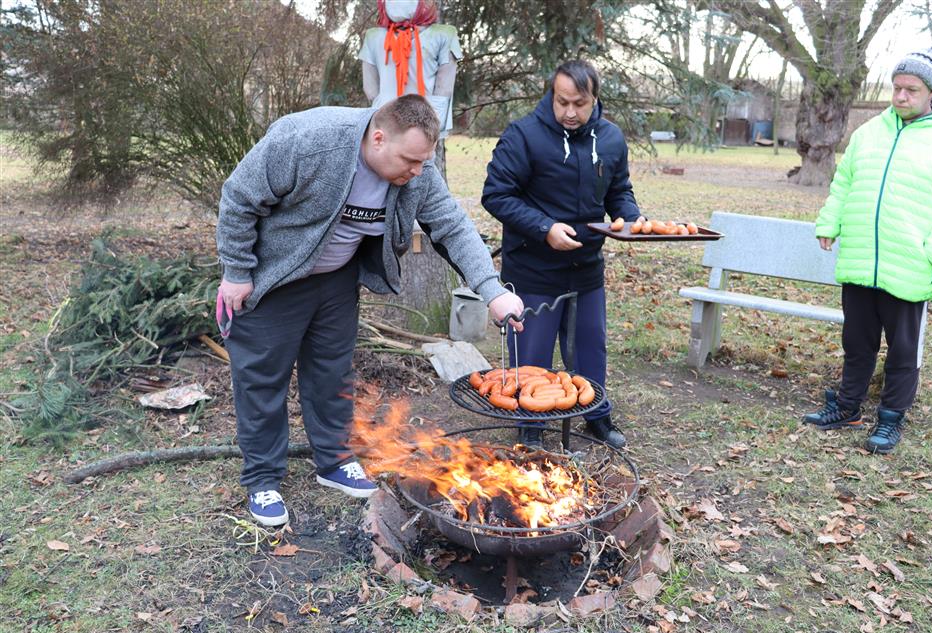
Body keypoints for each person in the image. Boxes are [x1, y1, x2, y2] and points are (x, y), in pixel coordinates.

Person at [217, 95, 524, 526]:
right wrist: (236, 271)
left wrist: (493, 291)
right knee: (262, 377)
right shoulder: (310, 141)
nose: (417, 172)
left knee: (331, 371)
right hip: (275, 276)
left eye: (424, 162)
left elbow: (452, 225)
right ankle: (263, 480)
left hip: (337, 279)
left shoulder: (418, 171)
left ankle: (334, 461)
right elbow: (239, 196)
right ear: (378, 138)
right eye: (410, 160)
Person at [803, 39, 932, 454]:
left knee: (903, 351)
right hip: (860, 260)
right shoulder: (868, 134)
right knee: (856, 342)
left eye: (912, 90)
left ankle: (890, 420)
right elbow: (844, 182)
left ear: (931, 94)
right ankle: (847, 407)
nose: (901, 96)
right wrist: (830, 221)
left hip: (910, 265)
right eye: (897, 87)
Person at [481, 59, 645, 449]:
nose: (570, 112)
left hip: (586, 267)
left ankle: (596, 416)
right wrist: (544, 228)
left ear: (594, 99)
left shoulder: (610, 139)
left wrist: (631, 218)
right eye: (562, 102)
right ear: (552, 96)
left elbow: (619, 190)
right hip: (534, 266)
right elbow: (496, 195)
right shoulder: (523, 135)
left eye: (580, 103)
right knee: (532, 352)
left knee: (590, 346)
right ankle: (530, 423)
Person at [359, 0, 461, 137]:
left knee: (386, 157)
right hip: (424, 125)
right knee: (417, 158)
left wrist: (383, 114)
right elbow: (444, 90)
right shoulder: (444, 34)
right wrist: (432, 127)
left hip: (384, 123)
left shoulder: (373, 36)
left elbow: (371, 90)